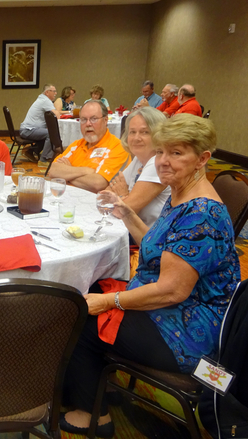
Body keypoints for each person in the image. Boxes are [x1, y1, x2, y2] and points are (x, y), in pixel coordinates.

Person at [60, 114, 241, 439]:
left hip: (187, 333)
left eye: (176, 153)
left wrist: (108, 301)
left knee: (82, 319)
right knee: (87, 290)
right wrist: (128, 213)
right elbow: (162, 252)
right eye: (161, 152)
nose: (163, 162)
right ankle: (97, 382)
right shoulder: (183, 193)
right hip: (175, 311)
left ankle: (93, 416)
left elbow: (171, 291)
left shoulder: (201, 215)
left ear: (202, 158)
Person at [48, 100, 130, 193]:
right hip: (68, 198)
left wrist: (68, 174)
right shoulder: (77, 145)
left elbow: (97, 184)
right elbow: (53, 170)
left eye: (93, 119)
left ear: (105, 120)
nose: (88, 124)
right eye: (83, 119)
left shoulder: (117, 147)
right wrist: (87, 171)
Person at [107, 107, 170, 227]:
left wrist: (122, 195)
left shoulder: (158, 163)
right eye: (132, 132)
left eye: (144, 132)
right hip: (135, 231)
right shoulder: (139, 159)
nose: (136, 138)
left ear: (158, 135)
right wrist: (125, 198)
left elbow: (122, 211)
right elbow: (106, 194)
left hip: (152, 240)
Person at [18, 84, 59, 167]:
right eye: (54, 91)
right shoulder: (45, 101)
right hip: (28, 130)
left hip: (28, 129)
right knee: (51, 134)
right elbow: (56, 115)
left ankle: (30, 151)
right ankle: (43, 160)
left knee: (48, 132)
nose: (56, 93)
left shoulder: (42, 99)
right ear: (47, 92)